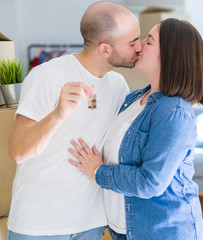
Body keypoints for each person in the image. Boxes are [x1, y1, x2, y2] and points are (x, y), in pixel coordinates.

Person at [7, 2, 141, 240]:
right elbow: (18, 152)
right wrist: (58, 114)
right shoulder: (48, 76)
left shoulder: (118, 84)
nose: (139, 47)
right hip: (39, 226)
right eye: (132, 42)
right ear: (105, 49)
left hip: (91, 224)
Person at [68, 18, 203, 240]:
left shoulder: (175, 112)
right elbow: (102, 125)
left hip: (163, 232)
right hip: (125, 231)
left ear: (170, 56)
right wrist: (88, 94)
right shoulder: (135, 98)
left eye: (149, 41)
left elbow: (150, 182)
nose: (139, 45)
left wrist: (98, 171)